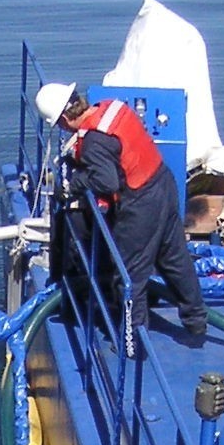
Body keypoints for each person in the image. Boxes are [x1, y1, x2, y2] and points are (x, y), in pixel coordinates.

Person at [36, 82, 207, 342]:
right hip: (162, 182)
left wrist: (74, 184)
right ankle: (196, 322)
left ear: (62, 119)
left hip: (140, 203)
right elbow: (117, 151)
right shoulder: (111, 107)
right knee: (173, 258)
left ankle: (132, 342)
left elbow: (107, 182)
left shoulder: (94, 141)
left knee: (128, 276)